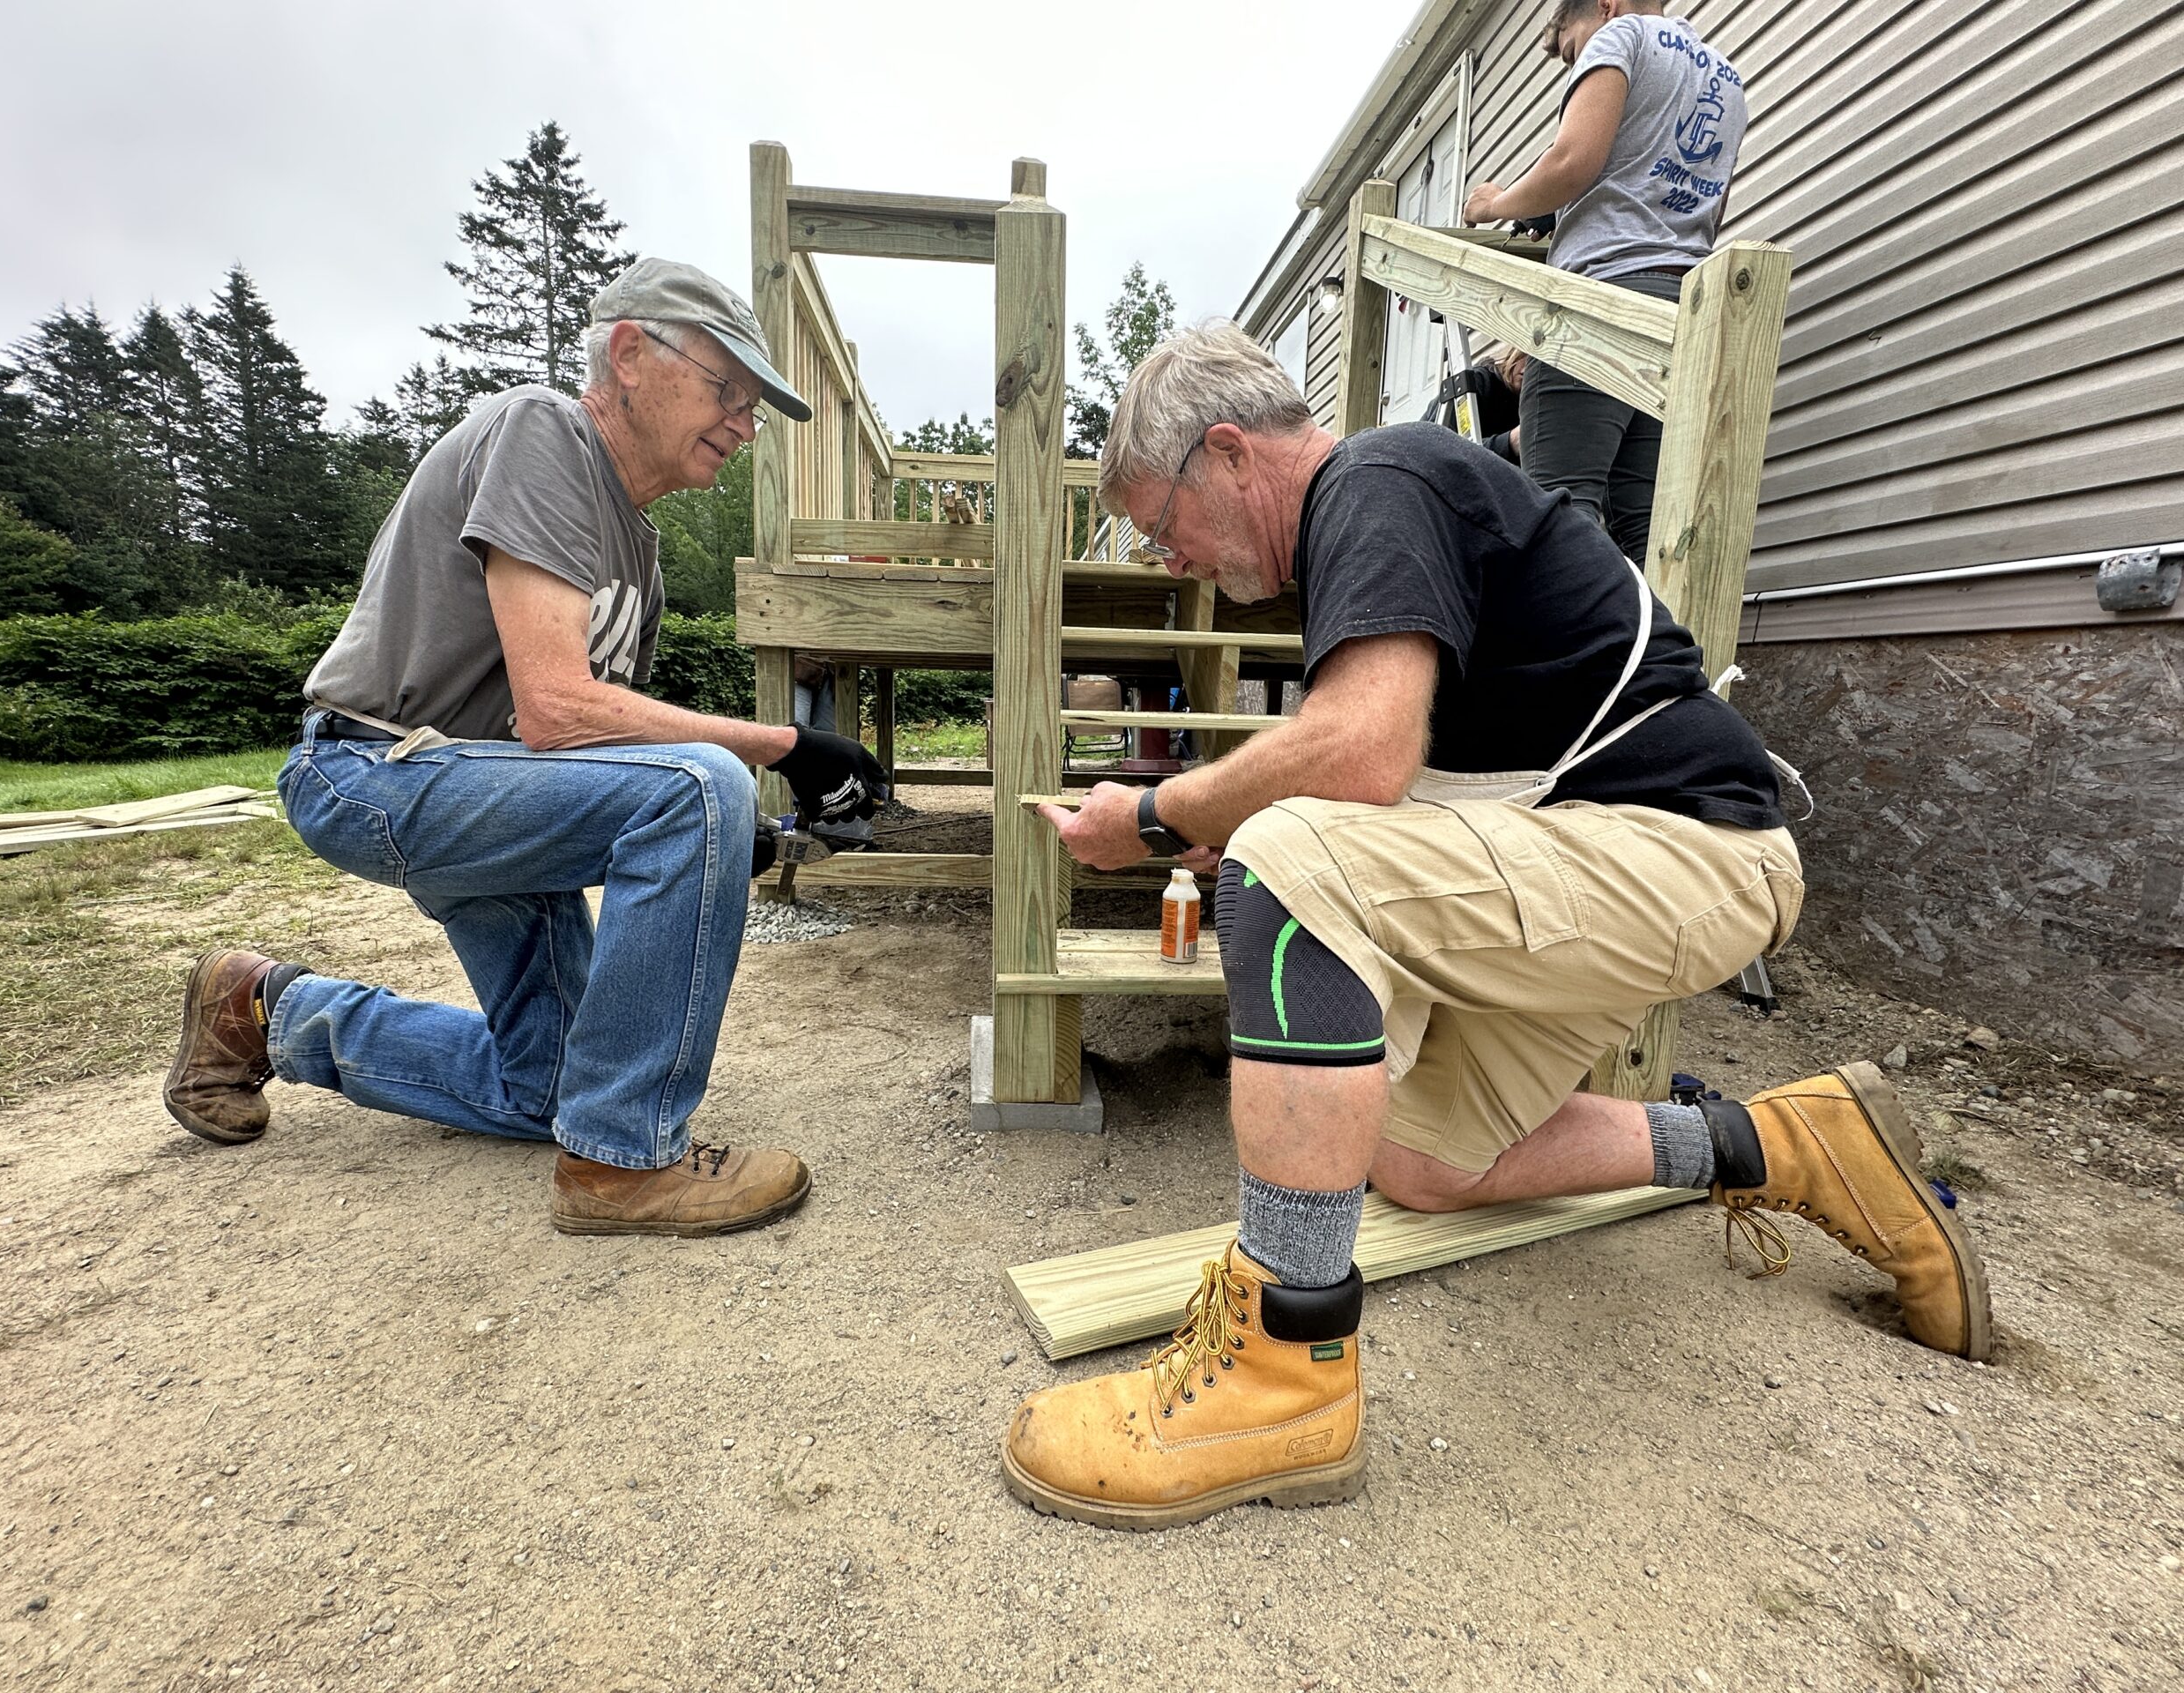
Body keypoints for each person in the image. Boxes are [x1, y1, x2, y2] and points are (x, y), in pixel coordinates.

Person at [1003, 324, 1989, 1532]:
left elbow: (1359, 752)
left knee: (1280, 864)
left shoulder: (1372, 479)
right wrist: (1229, 818)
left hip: (1687, 850)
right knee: (1427, 1162)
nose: (1172, 563)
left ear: (1227, 453)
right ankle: (1775, 1143)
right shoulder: (1386, 509)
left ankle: (1278, 1371)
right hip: (1637, 855)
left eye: (1166, 525)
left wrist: (1155, 817)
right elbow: (1406, 769)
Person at [161, 259, 887, 1238]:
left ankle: (264, 1009)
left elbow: (583, 746)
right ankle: (621, 1165)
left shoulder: (637, 549)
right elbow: (558, 709)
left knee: (547, 1085)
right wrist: (785, 746)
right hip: (373, 770)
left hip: (479, 792)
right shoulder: (544, 430)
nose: (744, 426)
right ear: (629, 353)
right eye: (727, 390)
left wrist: (734, 843)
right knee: (700, 789)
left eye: (754, 408)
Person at [1461, 0, 1748, 562]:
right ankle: (1653, 651)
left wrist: (1496, 203)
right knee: (1644, 531)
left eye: (1572, 51)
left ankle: (1574, 651)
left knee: (1557, 516)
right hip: (1678, 315)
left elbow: (1573, 160)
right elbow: (1705, 214)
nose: (1575, 68)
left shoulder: (1622, 37)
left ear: (1605, 6)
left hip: (1597, 305)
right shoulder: (1726, 77)